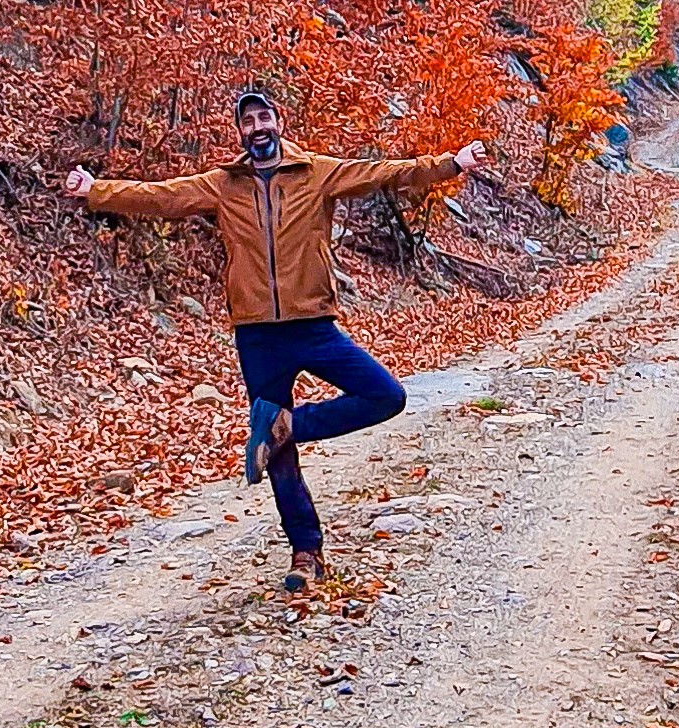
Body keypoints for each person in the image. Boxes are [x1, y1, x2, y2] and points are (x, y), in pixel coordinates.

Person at [66, 87, 482, 588]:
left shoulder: (317, 172)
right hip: (258, 335)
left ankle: (285, 425)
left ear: (278, 122)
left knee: (386, 396)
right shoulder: (223, 184)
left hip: (312, 325)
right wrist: (96, 189)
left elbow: (384, 173)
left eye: (264, 117)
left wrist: (449, 164)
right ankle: (305, 553)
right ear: (241, 132)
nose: (257, 127)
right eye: (248, 122)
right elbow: (162, 196)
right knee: (280, 458)